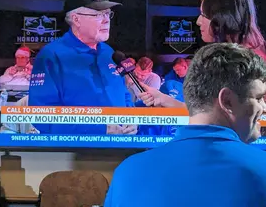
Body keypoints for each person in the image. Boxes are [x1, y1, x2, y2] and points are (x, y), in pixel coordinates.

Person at [104, 43, 266, 207]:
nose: (264, 108)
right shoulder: (261, 170)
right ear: (227, 101)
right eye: (259, 98)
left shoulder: (127, 173)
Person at [28, 0, 137, 135]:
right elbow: (41, 116)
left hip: (122, 147)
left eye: (108, 13)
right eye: (98, 14)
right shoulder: (51, 56)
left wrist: (131, 120)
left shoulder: (109, 53)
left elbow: (123, 94)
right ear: (76, 20)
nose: (106, 20)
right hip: (77, 153)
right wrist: (99, 130)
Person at [139, 0, 266, 107]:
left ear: (223, 19)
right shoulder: (227, 59)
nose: (198, 21)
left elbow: (225, 119)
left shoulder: (253, 64)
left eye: (204, 15)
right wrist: (164, 99)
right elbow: (211, 116)